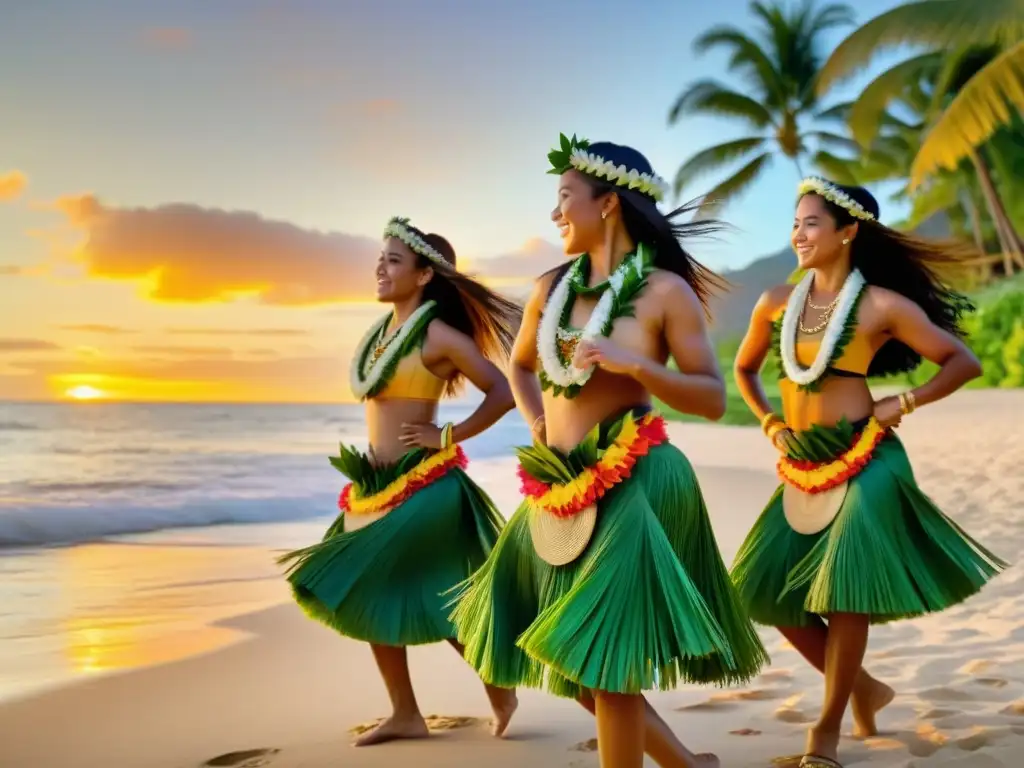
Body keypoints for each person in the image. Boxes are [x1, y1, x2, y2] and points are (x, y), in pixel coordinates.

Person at [449, 134, 769, 768]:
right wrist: (539, 418)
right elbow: (518, 367)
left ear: (610, 204)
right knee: (572, 651)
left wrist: (637, 366)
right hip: (560, 484)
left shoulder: (663, 293)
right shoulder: (550, 288)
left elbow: (708, 395)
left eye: (565, 196)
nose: (554, 212)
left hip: (637, 479)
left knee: (611, 663)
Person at [729, 178, 1006, 768]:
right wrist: (770, 424)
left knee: (845, 592)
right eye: (795, 223)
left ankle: (826, 730)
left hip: (867, 458)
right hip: (803, 460)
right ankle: (863, 688)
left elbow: (963, 362)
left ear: (847, 231)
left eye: (810, 223)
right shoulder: (777, 301)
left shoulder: (880, 305)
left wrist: (902, 402)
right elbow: (745, 370)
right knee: (767, 595)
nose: (797, 234)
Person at [279, 216, 522, 746]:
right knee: (374, 590)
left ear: (424, 275)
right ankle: (407, 713)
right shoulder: (380, 336)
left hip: (426, 485)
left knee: (434, 595)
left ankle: (498, 686)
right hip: (373, 487)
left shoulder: (437, 333)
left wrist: (448, 434)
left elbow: (502, 390)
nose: (380, 268)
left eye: (393, 260)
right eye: (380, 258)